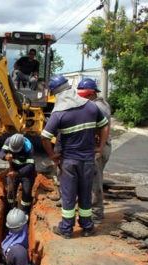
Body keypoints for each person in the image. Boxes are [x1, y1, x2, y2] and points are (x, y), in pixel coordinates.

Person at [41, 75, 109, 239]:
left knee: (69, 196)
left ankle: (66, 229)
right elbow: (104, 125)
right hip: (87, 160)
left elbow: (44, 137)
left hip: (69, 162)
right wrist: (100, 146)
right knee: (86, 194)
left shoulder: (59, 114)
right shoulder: (91, 108)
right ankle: (87, 227)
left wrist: (52, 155)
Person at [77, 78, 112, 224]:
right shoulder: (95, 105)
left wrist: (99, 147)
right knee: (87, 180)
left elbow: (103, 128)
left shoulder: (99, 108)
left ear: (91, 94)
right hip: (95, 148)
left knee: (94, 183)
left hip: (98, 150)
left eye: (84, 97)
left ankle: (96, 213)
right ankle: (86, 207)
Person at [0, 133, 37, 213]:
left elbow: (30, 165)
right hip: (13, 170)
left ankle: (24, 212)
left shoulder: (29, 148)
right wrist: (5, 156)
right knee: (10, 192)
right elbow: (1, 152)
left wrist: (17, 173)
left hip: (26, 173)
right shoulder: (8, 141)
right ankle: (11, 209)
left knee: (26, 193)